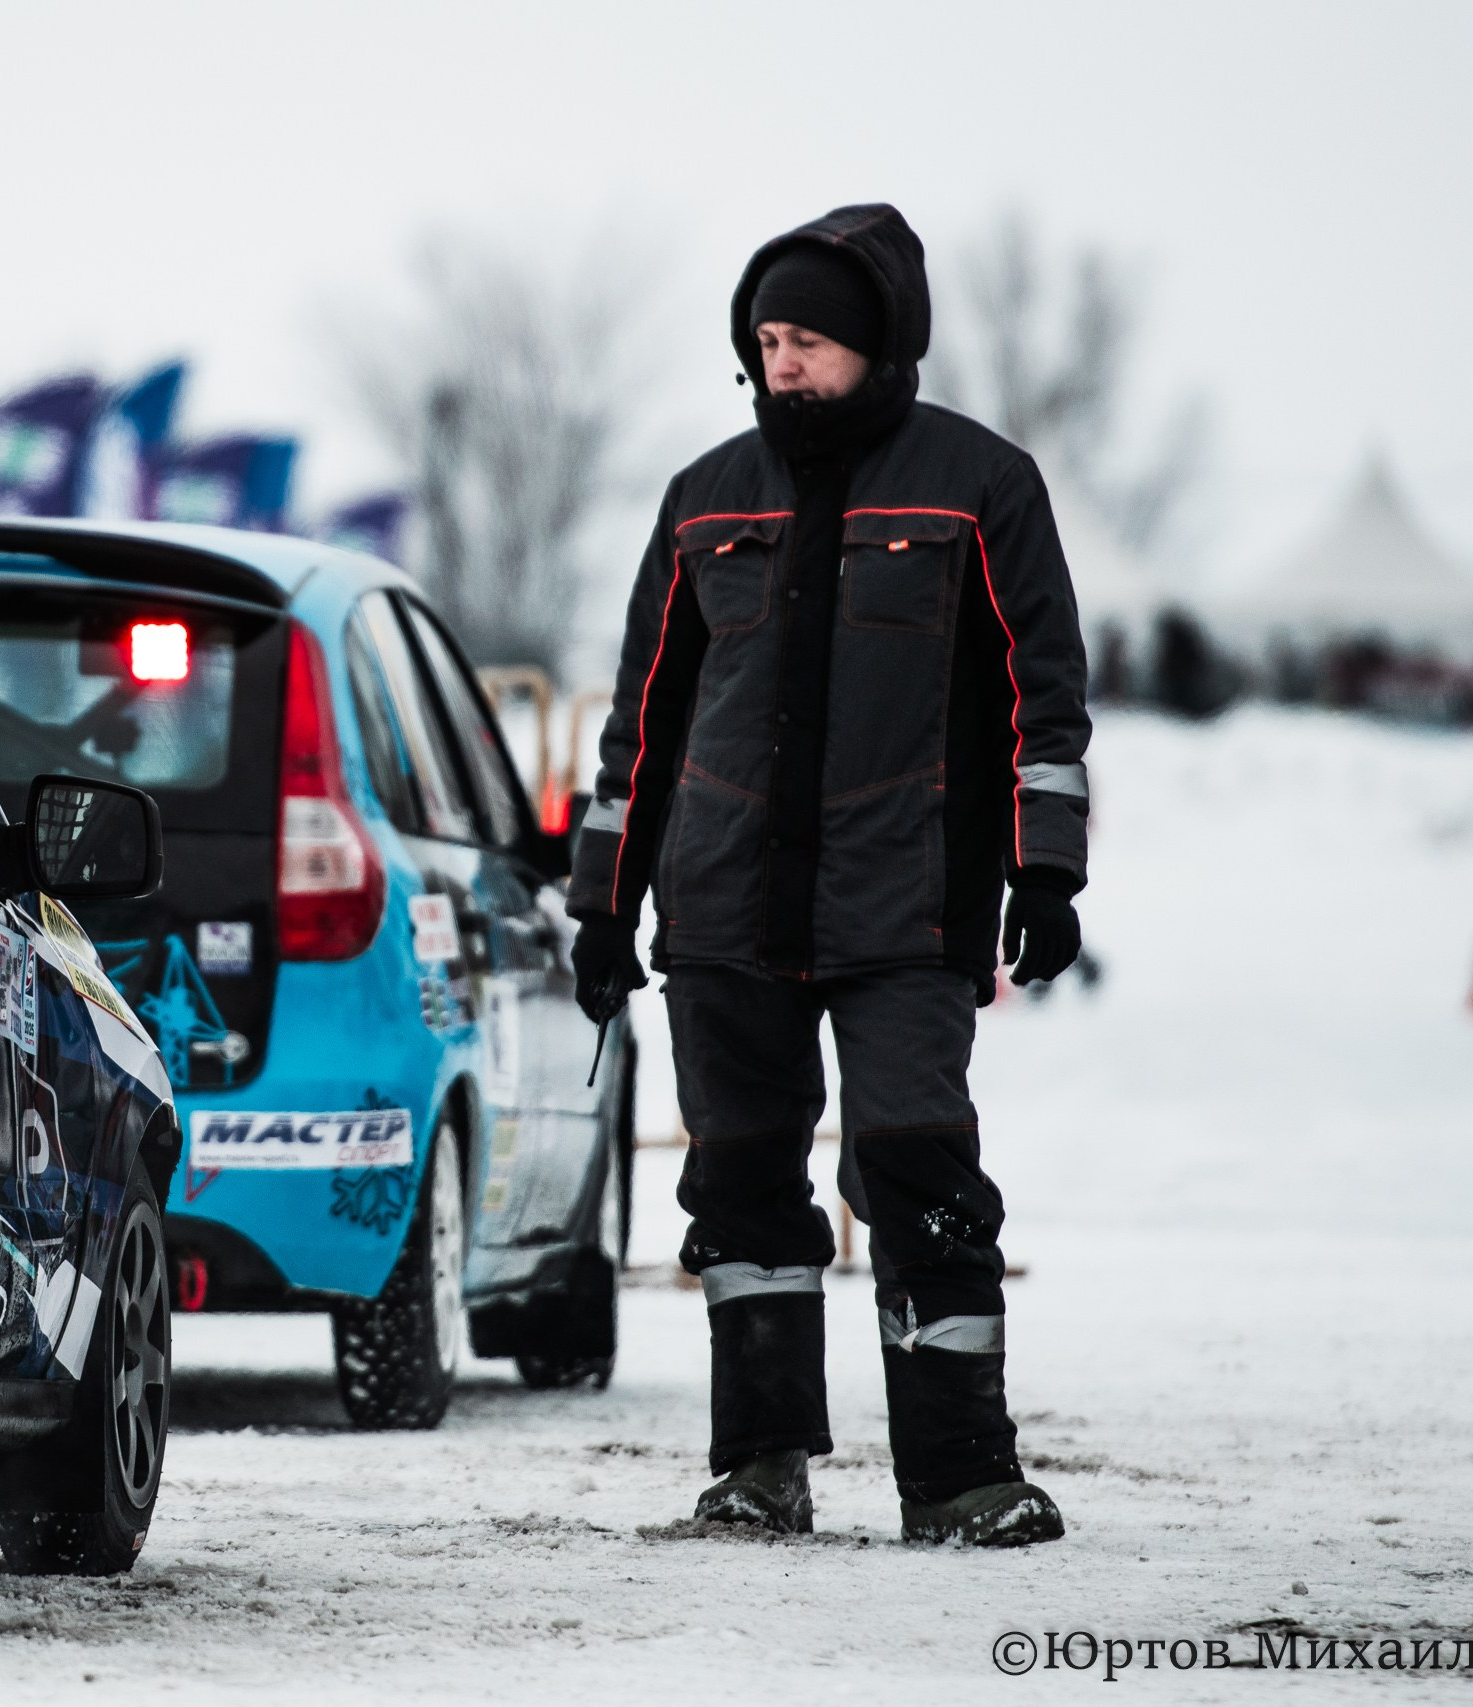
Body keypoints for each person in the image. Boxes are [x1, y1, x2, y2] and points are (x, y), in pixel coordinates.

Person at [568, 204, 1087, 1547]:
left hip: (906, 905)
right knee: (740, 1191)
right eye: (764, 341)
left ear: (876, 344)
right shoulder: (703, 499)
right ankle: (759, 1470)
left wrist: (1046, 869)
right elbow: (647, 719)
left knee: (919, 1175)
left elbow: (1045, 692)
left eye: (805, 340)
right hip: (725, 908)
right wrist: (602, 902)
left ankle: (965, 1477)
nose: (780, 363)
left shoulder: (981, 487)